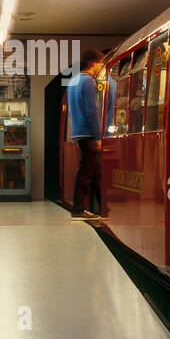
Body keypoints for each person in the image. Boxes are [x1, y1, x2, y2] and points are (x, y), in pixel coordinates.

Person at [67, 49, 104, 219]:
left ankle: (103, 207)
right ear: (92, 63)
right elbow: (92, 111)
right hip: (88, 133)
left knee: (94, 171)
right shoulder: (89, 82)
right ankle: (79, 209)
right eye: (100, 63)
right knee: (86, 173)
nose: (100, 67)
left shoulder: (73, 81)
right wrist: (98, 136)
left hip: (78, 132)